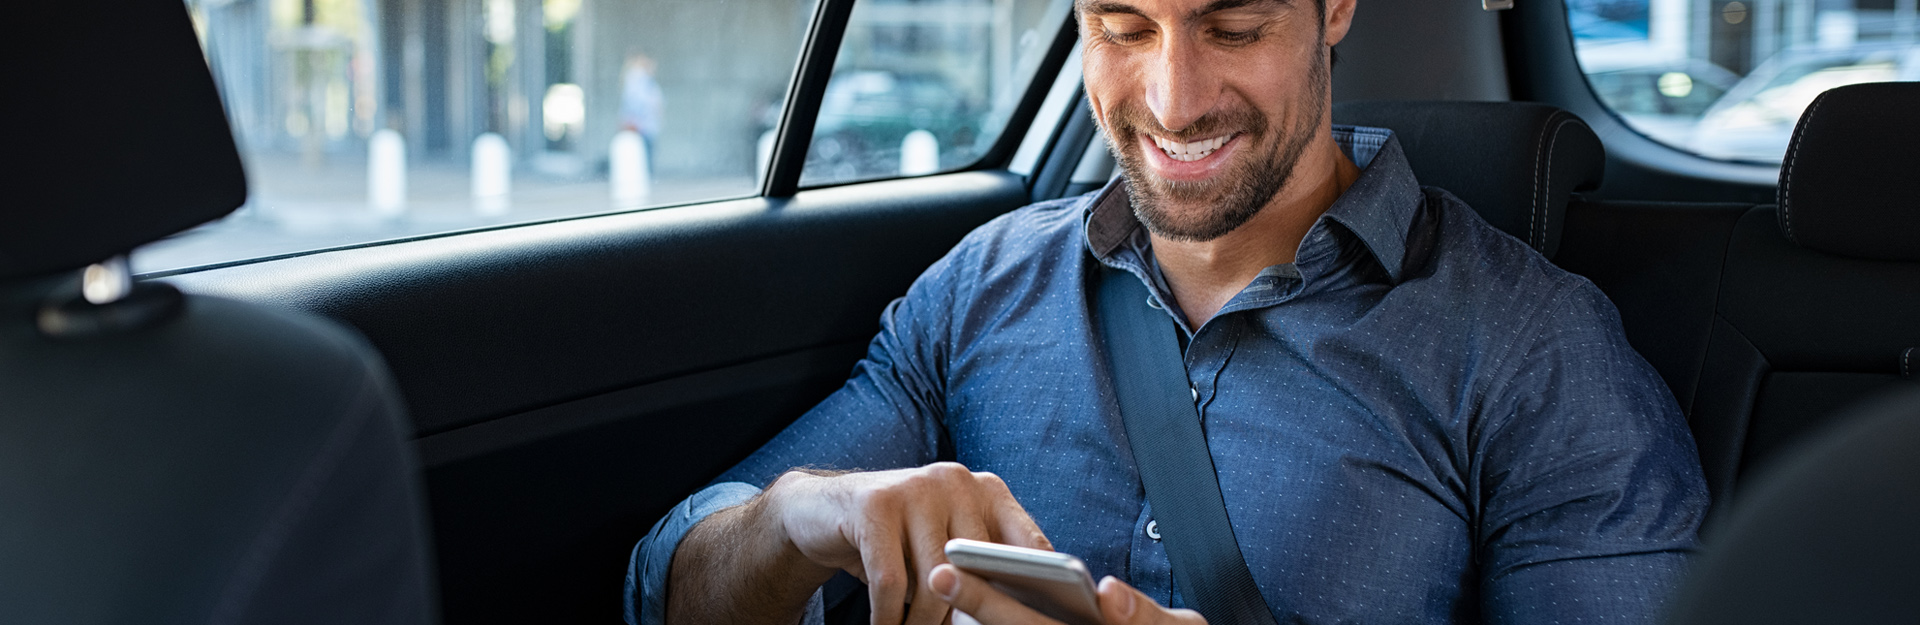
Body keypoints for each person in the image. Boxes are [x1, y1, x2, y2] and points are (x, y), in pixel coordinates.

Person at [626, 0, 1708, 623]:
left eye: (1232, 24)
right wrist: (805, 516)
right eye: (1124, 24)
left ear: (1334, 8)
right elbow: (668, 595)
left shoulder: (1536, 353)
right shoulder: (979, 289)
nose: (1175, 97)